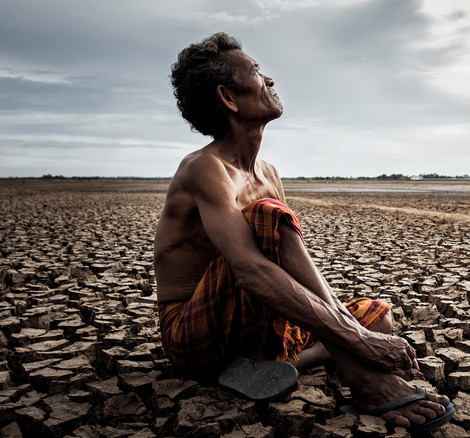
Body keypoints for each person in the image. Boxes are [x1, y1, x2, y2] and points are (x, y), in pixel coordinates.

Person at [154, 32, 452, 431]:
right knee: (267, 215)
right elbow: (251, 271)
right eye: (257, 71)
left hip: (252, 327)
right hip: (195, 333)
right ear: (228, 98)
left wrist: (359, 330)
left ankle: (273, 366)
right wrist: (356, 342)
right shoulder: (205, 169)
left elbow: (287, 276)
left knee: (379, 317)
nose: (270, 79)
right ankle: (362, 378)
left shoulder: (268, 172)